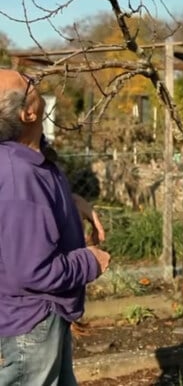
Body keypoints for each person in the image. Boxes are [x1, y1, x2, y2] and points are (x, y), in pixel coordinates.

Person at [0, 69, 110, 385]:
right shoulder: (19, 178)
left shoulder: (29, 160)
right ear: (28, 113)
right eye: (28, 83)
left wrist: (70, 201)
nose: (34, 80)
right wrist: (90, 261)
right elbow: (32, 271)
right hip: (32, 322)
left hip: (41, 317)